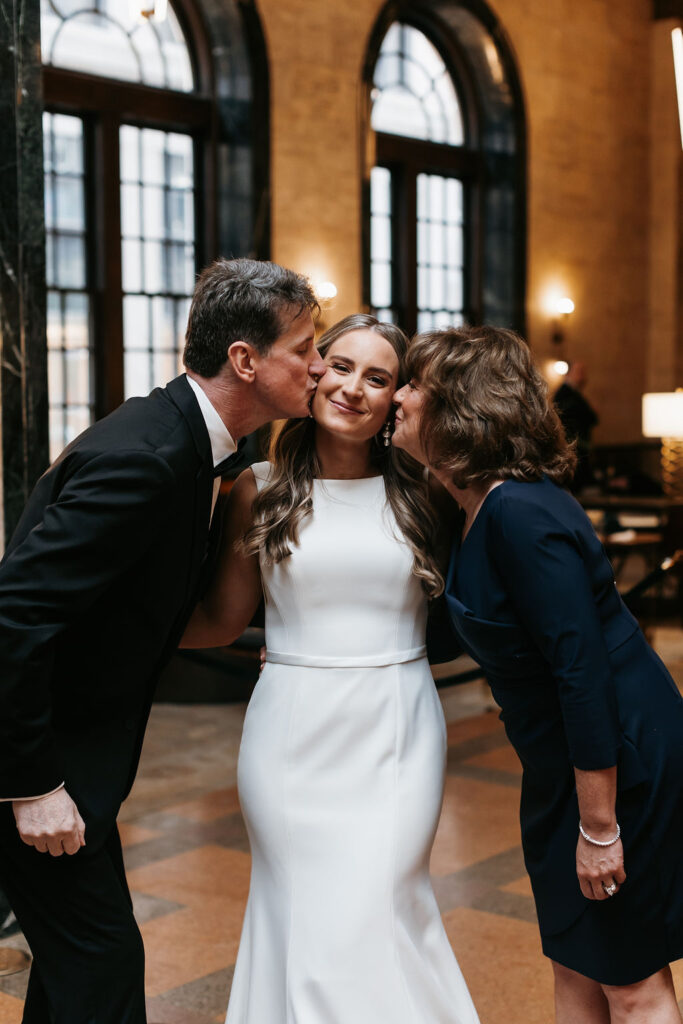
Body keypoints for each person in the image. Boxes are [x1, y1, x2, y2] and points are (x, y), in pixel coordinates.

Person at [0, 257, 324, 1024]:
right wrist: (32, 787)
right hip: (38, 759)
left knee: (83, 964)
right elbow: (13, 615)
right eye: (305, 347)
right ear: (245, 361)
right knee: (102, 966)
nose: (317, 365)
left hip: (76, 760)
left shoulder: (187, 444)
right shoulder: (147, 458)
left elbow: (144, 611)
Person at [183, 314, 480, 1024]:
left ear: (396, 400)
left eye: (377, 377)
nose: (352, 387)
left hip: (396, 729)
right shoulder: (260, 488)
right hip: (291, 731)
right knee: (305, 916)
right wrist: (117, 640)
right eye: (340, 366)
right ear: (314, 374)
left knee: (381, 905)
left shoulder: (426, 492)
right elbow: (223, 618)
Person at [392, 324, 683, 1024]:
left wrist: (599, 827)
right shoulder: (469, 505)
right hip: (558, 766)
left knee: (628, 979)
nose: (397, 397)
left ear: (459, 405)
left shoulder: (520, 513)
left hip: (617, 761)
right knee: (576, 960)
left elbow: (580, 675)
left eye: (411, 383)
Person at [553, 361, 599, 491]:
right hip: (573, 448)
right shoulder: (564, 394)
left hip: (579, 447)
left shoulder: (576, 394)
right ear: (569, 373)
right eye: (579, 372)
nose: (583, 376)